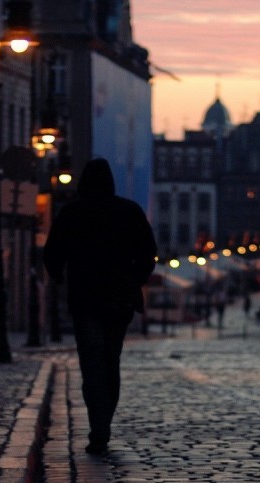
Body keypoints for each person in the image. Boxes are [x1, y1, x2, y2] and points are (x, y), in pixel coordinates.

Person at [44, 158, 157, 455]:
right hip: (119, 299)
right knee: (110, 359)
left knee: (92, 361)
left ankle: (99, 424)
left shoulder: (72, 212)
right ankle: (103, 421)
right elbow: (148, 253)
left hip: (84, 298)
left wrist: (57, 274)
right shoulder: (129, 211)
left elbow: (53, 251)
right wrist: (135, 280)